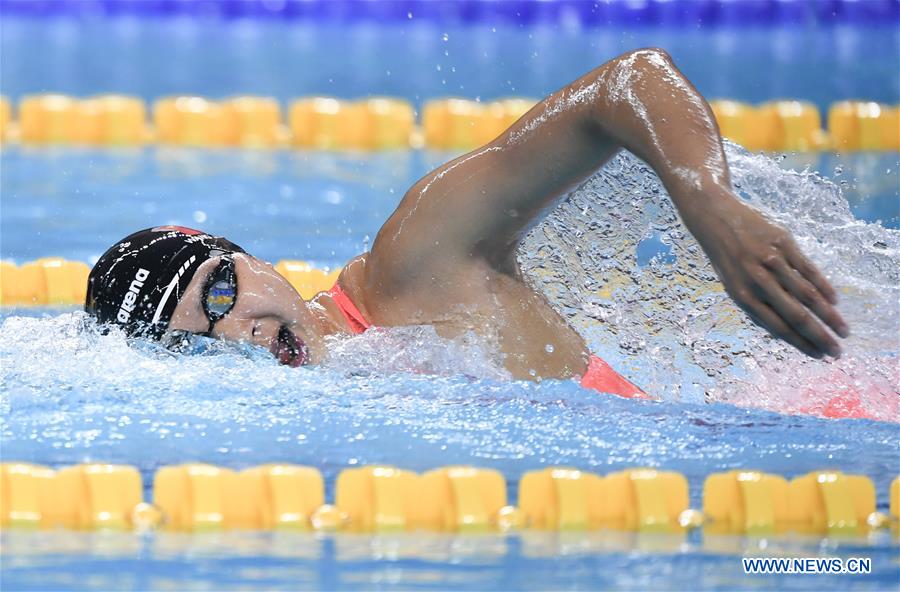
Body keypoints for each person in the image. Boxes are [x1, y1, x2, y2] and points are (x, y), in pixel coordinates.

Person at [85, 49, 849, 399]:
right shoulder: (313, 402)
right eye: (194, 339)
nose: (236, 330)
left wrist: (710, 205)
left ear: (245, 256)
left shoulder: (412, 263)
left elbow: (629, 82)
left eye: (219, 292)